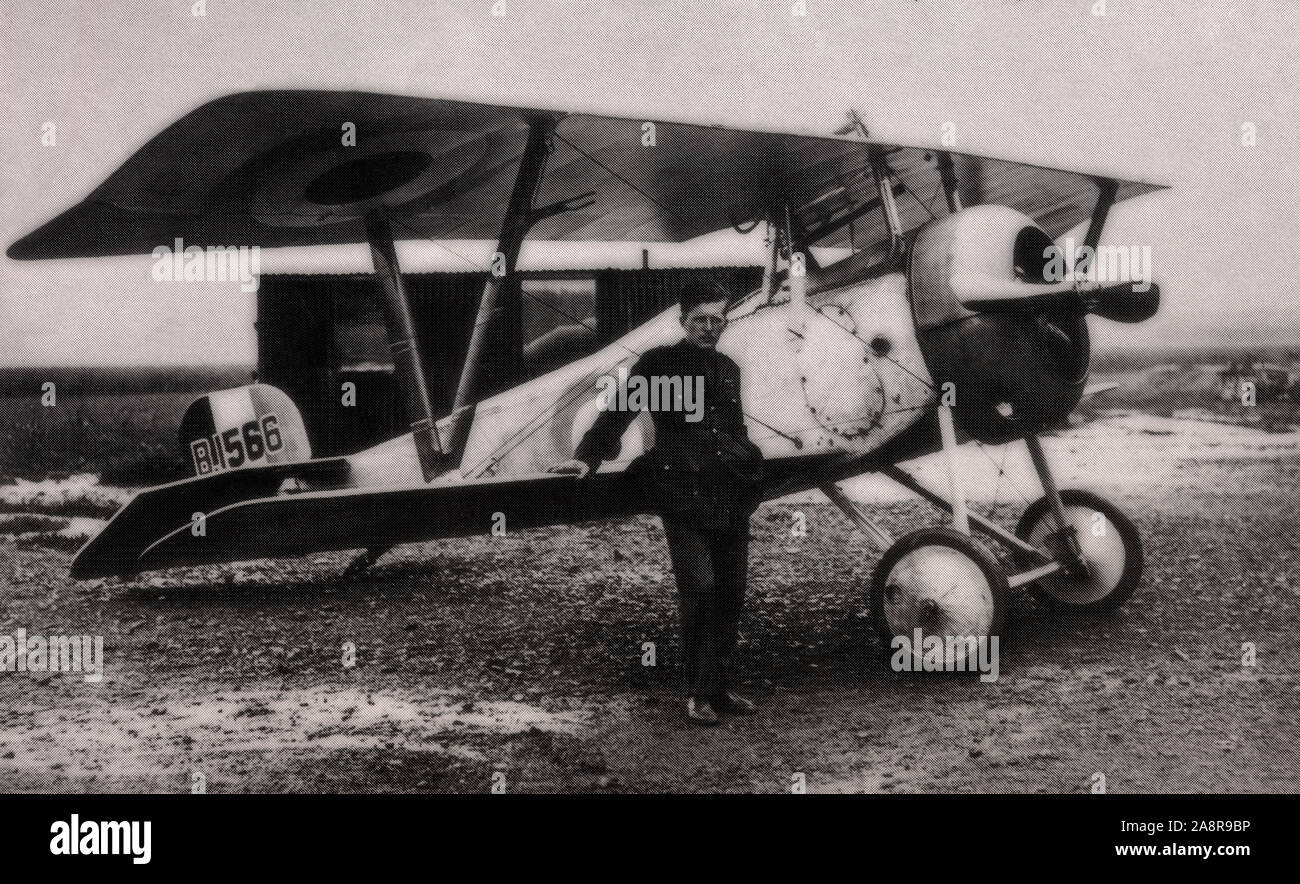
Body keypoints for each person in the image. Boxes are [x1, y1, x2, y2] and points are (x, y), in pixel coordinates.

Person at [551, 281, 764, 725]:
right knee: (700, 589)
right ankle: (698, 694)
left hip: (729, 492)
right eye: (700, 319)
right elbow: (618, 414)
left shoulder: (729, 368)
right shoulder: (659, 364)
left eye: (717, 319)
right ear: (683, 320)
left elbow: (733, 429)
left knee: (731, 591)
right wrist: (586, 458)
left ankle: (721, 688)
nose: (710, 327)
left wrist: (749, 467)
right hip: (681, 493)